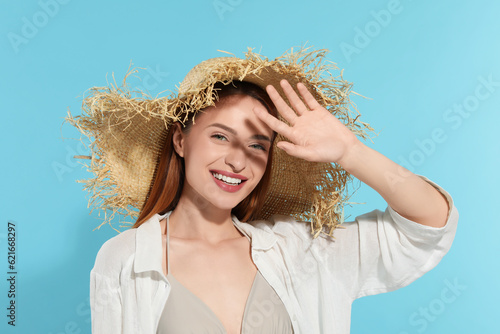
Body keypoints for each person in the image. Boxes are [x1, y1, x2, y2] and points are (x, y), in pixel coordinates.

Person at [68, 47, 458, 334]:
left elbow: (428, 223)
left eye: (257, 145)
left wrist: (350, 151)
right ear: (181, 141)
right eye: (221, 136)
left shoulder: (302, 250)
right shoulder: (125, 259)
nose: (238, 161)